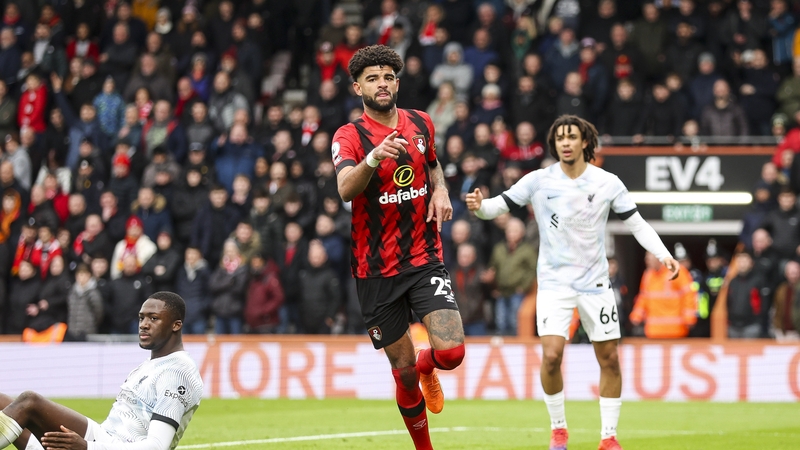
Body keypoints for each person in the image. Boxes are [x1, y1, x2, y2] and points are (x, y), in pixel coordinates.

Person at [466, 115, 680, 450]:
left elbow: (637, 224)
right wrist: (479, 208)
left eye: (571, 137)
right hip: (553, 285)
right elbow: (498, 206)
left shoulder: (607, 182)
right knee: (551, 356)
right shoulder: (538, 180)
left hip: (595, 284)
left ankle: (608, 437)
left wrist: (664, 254)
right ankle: (558, 429)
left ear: (584, 142)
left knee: (609, 358)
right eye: (560, 138)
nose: (565, 143)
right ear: (554, 144)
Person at [332, 45, 465, 450]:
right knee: (403, 372)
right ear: (358, 87)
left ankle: (431, 366)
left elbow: (433, 163)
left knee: (453, 353)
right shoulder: (349, 136)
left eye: (388, 76)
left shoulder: (422, 122)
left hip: (424, 258)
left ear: (397, 82)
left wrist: (441, 190)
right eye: (372, 78)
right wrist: (372, 158)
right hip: (374, 270)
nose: (382, 83)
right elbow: (344, 189)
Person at [0, 291, 202, 450]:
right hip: (103, 440)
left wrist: (88, 447)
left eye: (154, 318)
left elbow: (157, 446)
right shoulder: (150, 364)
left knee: (29, 401)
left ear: (176, 325)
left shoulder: (178, 372)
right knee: (3, 401)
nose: (144, 325)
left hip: (104, 445)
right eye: (141, 318)